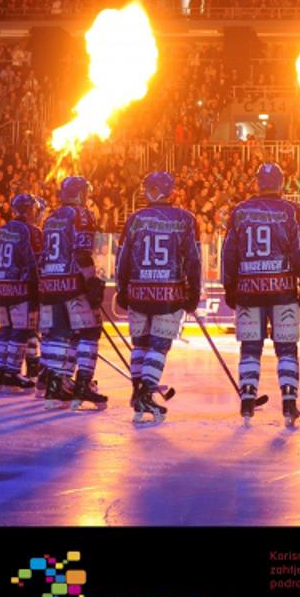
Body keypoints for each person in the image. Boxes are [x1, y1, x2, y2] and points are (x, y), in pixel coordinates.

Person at [220, 163, 300, 427]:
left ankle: (247, 399)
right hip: (282, 290)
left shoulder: (240, 211)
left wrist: (230, 285)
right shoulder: (292, 211)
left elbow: (229, 253)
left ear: (258, 183)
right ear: (281, 184)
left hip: (248, 290)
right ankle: (288, 402)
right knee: (286, 348)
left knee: (250, 348)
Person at [116, 171, 202, 424]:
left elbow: (122, 259)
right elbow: (194, 260)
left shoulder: (135, 219)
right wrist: (193, 291)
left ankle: (138, 391)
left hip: (138, 291)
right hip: (169, 292)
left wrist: (122, 288)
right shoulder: (186, 219)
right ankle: (145, 392)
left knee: (140, 345)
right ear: (171, 190)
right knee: (159, 346)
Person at [38, 176, 106, 411]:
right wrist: (91, 281)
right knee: (90, 331)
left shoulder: (50, 218)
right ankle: (83, 385)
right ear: (80, 194)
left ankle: (56, 387)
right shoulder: (82, 214)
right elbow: (81, 253)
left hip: (50, 283)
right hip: (73, 284)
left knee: (59, 335)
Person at [0, 193, 44, 395]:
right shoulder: (30, 230)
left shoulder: (4, 229)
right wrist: (35, 287)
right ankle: (13, 374)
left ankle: (2, 374)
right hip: (21, 286)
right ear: (28, 210)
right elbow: (33, 260)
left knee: (5, 328)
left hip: (3, 285)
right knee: (21, 330)